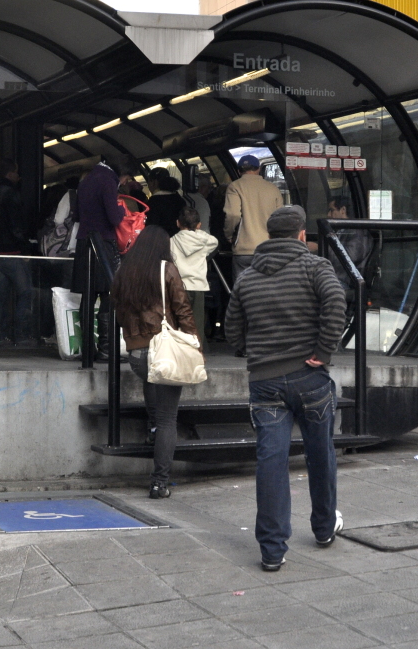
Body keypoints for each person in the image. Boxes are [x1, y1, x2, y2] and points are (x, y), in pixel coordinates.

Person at [225, 206, 346, 572]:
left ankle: (272, 550)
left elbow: (232, 331)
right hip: (309, 378)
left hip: (265, 384)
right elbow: (336, 301)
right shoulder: (315, 267)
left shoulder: (247, 278)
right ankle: (324, 528)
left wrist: (254, 350)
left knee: (271, 462)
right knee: (320, 454)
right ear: (300, 234)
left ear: (269, 235)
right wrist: (322, 351)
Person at [110, 226, 197, 499]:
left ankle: (152, 429)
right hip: (165, 350)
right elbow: (182, 308)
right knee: (168, 418)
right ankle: (159, 482)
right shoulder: (167, 270)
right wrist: (192, 341)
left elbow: (117, 312)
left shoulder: (125, 271)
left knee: (151, 383)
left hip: (136, 353)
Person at [72, 156, 132, 360]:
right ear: (121, 173)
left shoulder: (86, 180)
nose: (124, 183)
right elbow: (114, 218)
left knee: (87, 297)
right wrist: (122, 209)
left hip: (84, 243)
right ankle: (107, 349)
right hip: (103, 244)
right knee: (109, 295)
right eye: (125, 179)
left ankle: (88, 348)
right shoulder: (108, 181)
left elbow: (77, 216)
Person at [224, 155, 283, 280]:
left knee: (242, 291)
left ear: (239, 171)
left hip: (244, 249)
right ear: (259, 169)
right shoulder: (273, 188)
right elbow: (279, 219)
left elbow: (233, 214)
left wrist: (229, 236)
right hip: (268, 249)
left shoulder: (235, 187)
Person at [0, 159, 34, 345]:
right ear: (10, 174)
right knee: (25, 292)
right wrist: (26, 248)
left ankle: (0, 335)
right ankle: (21, 335)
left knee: (1, 297)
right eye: (17, 173)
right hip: (13, 252)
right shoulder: (11, 194)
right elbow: (16, 225)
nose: (19, 177)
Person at [170, 207, 218, 353]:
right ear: (199, 225)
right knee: (196, 323)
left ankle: (179, 353)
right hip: (198, 286)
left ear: (178, 223)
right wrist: (199, 233)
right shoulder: (204, 241)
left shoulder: (172, 241)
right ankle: (197, 353)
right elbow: (214, 241)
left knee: (178, 321)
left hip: (179, 287)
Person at [307, 196, 373, 297]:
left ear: (343, 210)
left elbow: (348, 256)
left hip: (347, 281)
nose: (328, 214)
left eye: (331, 210)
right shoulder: (340, 231)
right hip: (335, 277)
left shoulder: (358, 232)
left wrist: (320, 247)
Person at [145, 171, 186, 236]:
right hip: (180, 238)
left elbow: (151, 225)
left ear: (154, 182)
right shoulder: (180, 200)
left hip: (162, 240)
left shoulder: (154, 201)